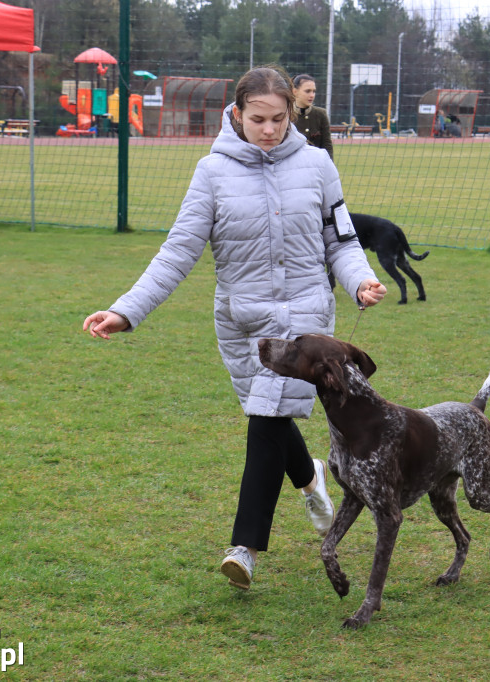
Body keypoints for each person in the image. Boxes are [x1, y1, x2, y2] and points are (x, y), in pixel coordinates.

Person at [82, 66, 386, 591]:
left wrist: (360, 281)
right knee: (268, 416)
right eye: (257, 119)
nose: (269, 129)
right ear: (236, 114)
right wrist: (127, 310)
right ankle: (310, 476)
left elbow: (341, 240)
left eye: (278, 118)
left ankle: (243, 548)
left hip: (307, 326)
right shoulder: (211, 172)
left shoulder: (317, 165)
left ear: (292, 112)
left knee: (265, 421)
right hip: (244, 324)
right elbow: (178, 251)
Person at [292, 74, 334, 159]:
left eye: (314, 91)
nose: (312, 95)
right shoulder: (285, 114)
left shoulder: (321, 114)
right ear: (295, 91)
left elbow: (327, 145)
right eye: (307, 91)